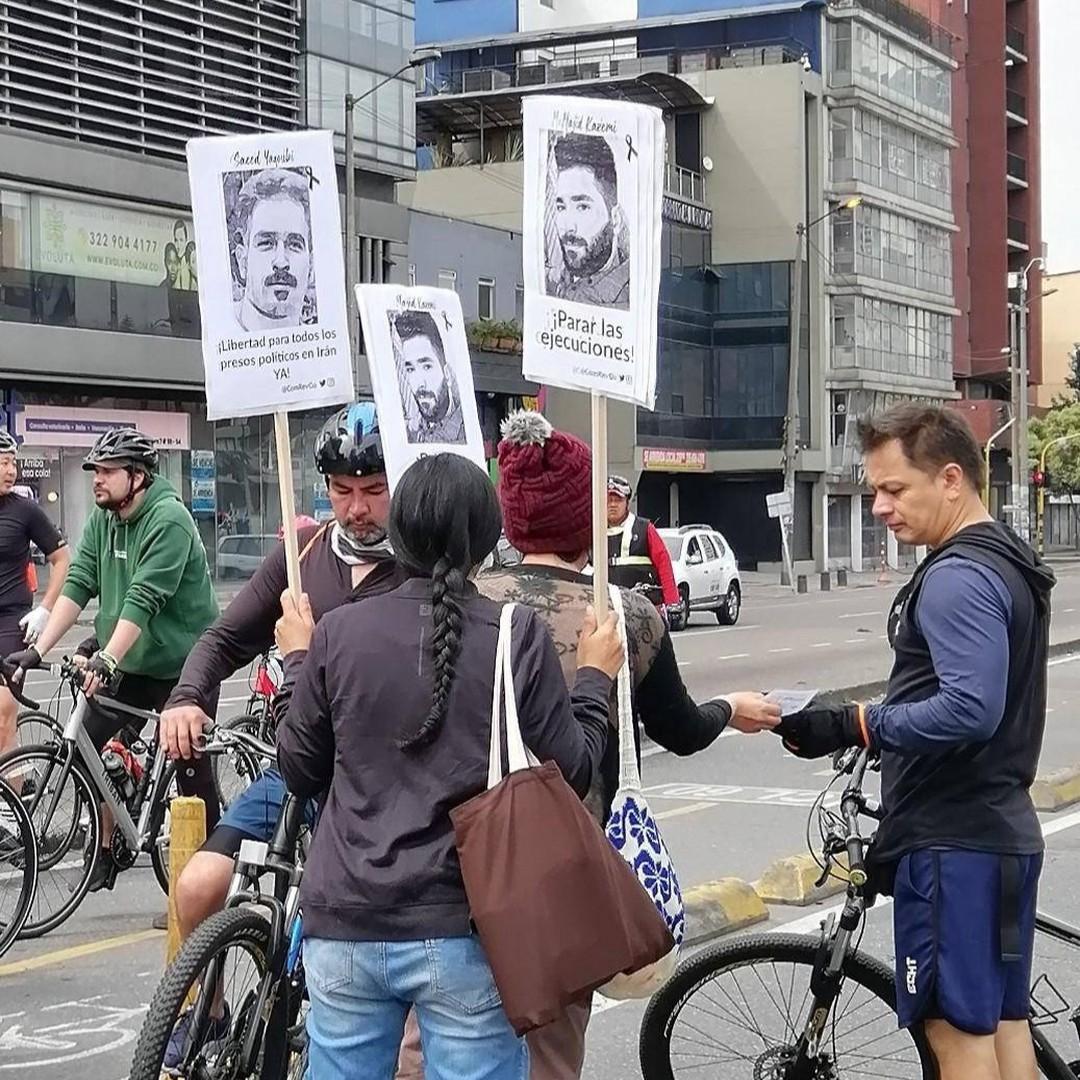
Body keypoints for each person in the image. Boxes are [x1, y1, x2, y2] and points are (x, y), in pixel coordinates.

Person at [277, 451, 624, 1079]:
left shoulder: (335, 633)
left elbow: (300, 770)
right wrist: (595, 678)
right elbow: (573, 770)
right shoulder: (515, 632)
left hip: (344, 920)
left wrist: (298, 661)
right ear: (488, 537)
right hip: (465, 927)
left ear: (400, 530)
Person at [464, 410, 780, 1077]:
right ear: (589, 521)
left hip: (463, 860)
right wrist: (733, 709)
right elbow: (681, 730)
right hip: (567, 874)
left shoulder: (462, 601)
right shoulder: (624, 614)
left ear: (511, 518)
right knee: (550, 1052)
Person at [774, 404, 1055, 1080]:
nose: (879, 508)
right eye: (874, 491)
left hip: (952, 845)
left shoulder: (958, 577)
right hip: (1001, 833)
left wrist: (858, 723)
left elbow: (969, 708)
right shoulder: (1010, 558)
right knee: (1003, 1029)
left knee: (956, 1036)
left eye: (894, 490)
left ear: (952, 479)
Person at [4, 427, 221, 892]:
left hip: (184, 664)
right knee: (84, 746)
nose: (96, 480)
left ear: (138, 477)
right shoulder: (106, 518)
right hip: (130, 658)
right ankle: (107, 844)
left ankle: (206, 892)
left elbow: (144, 597)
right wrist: (37, 649)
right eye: (94, 471)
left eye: (106, 471)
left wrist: (105, 657)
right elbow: (80, 580)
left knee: (191, 779)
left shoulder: (169, 519)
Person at [0, 432, 70, 756]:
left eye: (12, 462)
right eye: (2, 463)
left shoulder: (25, 510)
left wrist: (46, 608)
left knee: (2, 713)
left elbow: (61, 559)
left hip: (11, 623)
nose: (10, 470)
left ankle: (6, 805)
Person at [547, 132, 630, 308]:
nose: (568, 227)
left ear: (615, 219)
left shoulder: (630, 299)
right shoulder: (556, 284)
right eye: (561, 207)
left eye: (583, 207)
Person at [231, 168, 313, 332]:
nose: (281, 262)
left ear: (311, 267)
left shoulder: (323, 353)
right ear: (242, 261)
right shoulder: (217, 332)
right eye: (266, 243)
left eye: (295, 244)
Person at [606, 474, 679, 618]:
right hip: (606, 607)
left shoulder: (645, 528)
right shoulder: (592, 531)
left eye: (618, 500)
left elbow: (663, 562)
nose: (612, 504)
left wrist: (672, 601)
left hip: (643, 607)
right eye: (608, 500)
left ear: (627, 502)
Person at [393, 310, 466, 444]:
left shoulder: (465, 431)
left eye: (427, 367)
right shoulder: (410, 432)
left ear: (448, 374)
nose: (420, 383)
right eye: (410, 369)